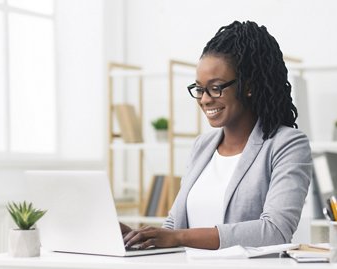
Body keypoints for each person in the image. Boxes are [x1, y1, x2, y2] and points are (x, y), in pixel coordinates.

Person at [121, 20, 312, 250]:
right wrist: (137, 237)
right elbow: (174, 226)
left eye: (216, 87)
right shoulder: (202, 146)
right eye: (200, 89)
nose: (204, 99)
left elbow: (275, 231)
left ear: (248, 86)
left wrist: (180, 237)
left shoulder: (287, 145)